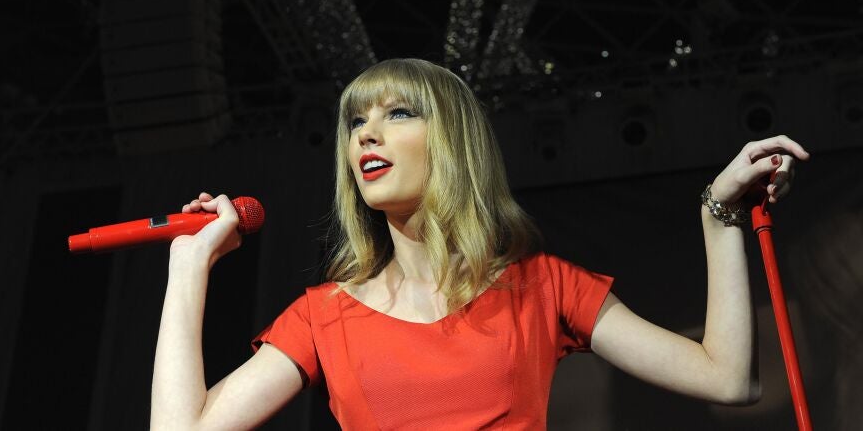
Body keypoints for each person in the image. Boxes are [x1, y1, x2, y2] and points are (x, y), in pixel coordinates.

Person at [150, 59, 810, 430]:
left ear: (452, 142)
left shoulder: (542, 287)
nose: (366, 134)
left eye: (397, 113)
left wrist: (721, 213)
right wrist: (188, 266)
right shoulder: (323, 317)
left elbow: (728, 379)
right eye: (356, 121)